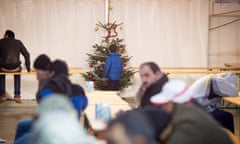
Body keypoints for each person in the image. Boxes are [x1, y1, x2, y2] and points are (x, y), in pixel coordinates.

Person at [149, 79, 234, 144]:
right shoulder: (186, 110)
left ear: (172, 103)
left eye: (165, 104)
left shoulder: (189, 121)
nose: (162, 107)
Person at [14, 54, 51, 141]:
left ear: (44, 71)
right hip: (44, 122)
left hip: (50, 127)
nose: (36, 74)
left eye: (37, 71)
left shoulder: (50, 86)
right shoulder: (42, 81)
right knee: (22, 124)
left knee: (24, 139)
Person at [0, 30, 30, 103]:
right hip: (15, 68)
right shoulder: (18, 42)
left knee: (1, 74)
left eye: (4, 35)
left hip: (3, 68)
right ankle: (17, 95)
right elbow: (26, 54)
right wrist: (28, 67)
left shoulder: (1, 42)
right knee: (18, 73)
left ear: (7, 35)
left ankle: (2, 95)